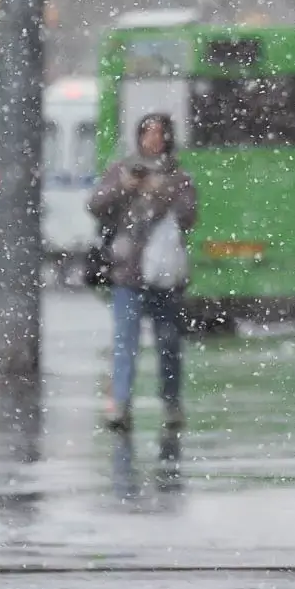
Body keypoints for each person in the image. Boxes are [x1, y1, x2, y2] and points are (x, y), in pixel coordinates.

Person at [88, 112, 198, 433]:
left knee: (169, 343)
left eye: (159, 134)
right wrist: (125, 187)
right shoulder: (123, 170)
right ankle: (121, 404)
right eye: (147, 133)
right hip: (128, 272)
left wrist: (158, 189)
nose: (153, 140)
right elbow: (95, 203)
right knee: (125, 340)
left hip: (164, 275)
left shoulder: (178, 176)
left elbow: (188, 214)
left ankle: (171, 402)